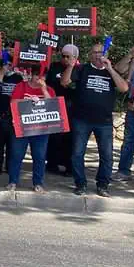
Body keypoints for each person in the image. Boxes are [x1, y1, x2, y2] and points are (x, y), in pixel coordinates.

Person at [62, 42, 129, 197]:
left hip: (104, 122)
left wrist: (110, 68)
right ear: (90, 55)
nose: (98, 55)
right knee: (77, 154)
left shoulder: (111, 72)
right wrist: (71, 66)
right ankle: (80, 184)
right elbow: (64, 82)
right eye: (95, 53)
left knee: (106, 156)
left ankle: (103, 185)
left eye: (101, 52)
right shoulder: (82, 69)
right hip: (82, 120)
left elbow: (124, 88)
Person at [7, 70, 55, 192]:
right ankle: (12, 181)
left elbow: (53, 106)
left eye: (43, 76)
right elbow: (13, 103)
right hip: (22, 127)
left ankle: (38, 183)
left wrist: (44, 90)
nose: (40, 78)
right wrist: (29, 102)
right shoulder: (21, 86)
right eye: (37, 75)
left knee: (39, 156)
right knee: (16, 155)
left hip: (41, 129)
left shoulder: (49, 89)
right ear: (31, 76)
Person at [45, 45, 79, 176]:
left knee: (69, 138)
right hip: (55, 104)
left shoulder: (78, 69)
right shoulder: (54, 66)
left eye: (68, 56)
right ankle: (52, 163)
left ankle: (69, 166)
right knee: (54, 137)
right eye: (63, 56)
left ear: (75, 57)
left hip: (71, 106)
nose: (65, 59)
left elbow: (72, 85)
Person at [0, 62, 22, 177]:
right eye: (6, 64)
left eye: (10, 64)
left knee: (12, 144)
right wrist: (1, 74)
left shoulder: (18, 78)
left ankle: (10, 166)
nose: (8, 66)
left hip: (13, 115)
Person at [113, 41, 134, 182]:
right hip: (132, 107)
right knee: (129, 139)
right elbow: (118, 69)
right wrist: (131, 53)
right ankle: (123, 170)